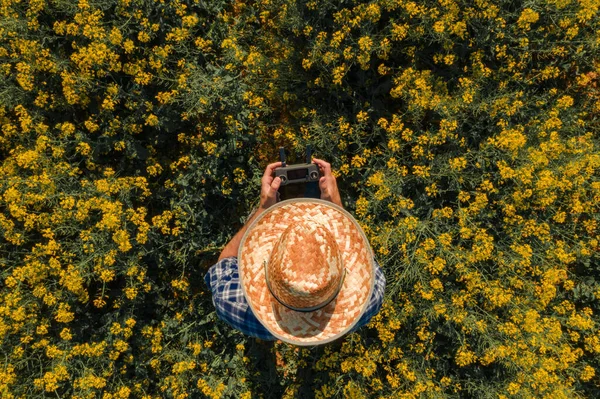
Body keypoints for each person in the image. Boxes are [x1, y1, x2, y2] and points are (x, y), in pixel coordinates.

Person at [204, 158, 386, 345]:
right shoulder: (369, 301)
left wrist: (263, 210)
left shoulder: (232, 303)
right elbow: (372, 270)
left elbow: (225, 264)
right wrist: (336, 205)